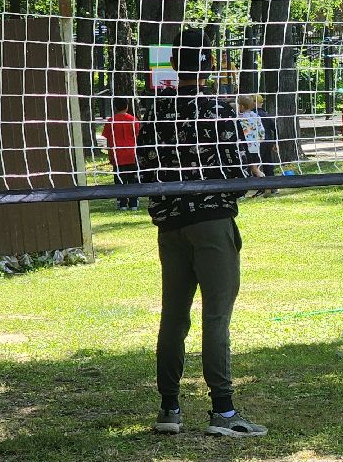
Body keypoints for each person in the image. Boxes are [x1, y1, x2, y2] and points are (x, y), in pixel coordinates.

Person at [136, 27, 266, 438]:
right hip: (211, 224)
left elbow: (138, 170)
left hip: (169, 226)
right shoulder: (218, 111)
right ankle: (223, 413)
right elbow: (238, 172)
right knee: (216, 316)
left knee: (173, 318)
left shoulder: (153, 114)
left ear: (172, 67)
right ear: (208, 69)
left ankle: (169, 409)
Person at [101, 97, 141, 211]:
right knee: (133, 179)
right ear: (127, 106)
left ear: (115, 107)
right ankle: (134, 203)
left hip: (117, 154)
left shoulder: (111, 121)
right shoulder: (133, 120)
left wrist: (110, 153)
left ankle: (122, 203)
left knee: (120, 179)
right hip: (131, 153)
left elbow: (108, 139)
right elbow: (137, 136)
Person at [236, 93, 266, 187]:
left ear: (240, 106)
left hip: (244, 146)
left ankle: (251, 179)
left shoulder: (240, 118)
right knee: (254, 163)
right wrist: (261, 139)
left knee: (247, 165)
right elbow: (261, 129)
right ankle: (261, 184)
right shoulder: (255, 116)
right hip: (255, 145)